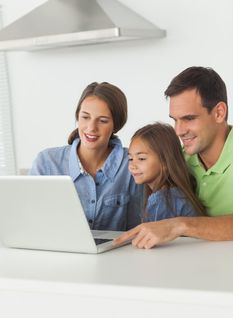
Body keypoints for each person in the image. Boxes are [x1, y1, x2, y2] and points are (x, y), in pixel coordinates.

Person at [113, 66, 233, 249]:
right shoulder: (179, 161)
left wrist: (179, 225)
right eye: (175, 120)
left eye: (189, 118)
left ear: (219, 112)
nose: (179, 131)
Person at [30, 81, 143, 231]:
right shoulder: (47, 163)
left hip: (117, 253)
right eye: (85, 117)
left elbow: (139, 229)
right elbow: (32, 222)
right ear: (77, 117)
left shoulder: (133, 164)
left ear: (116, 125)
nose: (91, 128)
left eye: (102, 121)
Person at [128, 122, 205, 222]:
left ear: (165, 161)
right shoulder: (170, 194)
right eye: (130, 158)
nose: (132, 166)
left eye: (141, 158)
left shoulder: (163, 200)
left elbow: (156, 236)